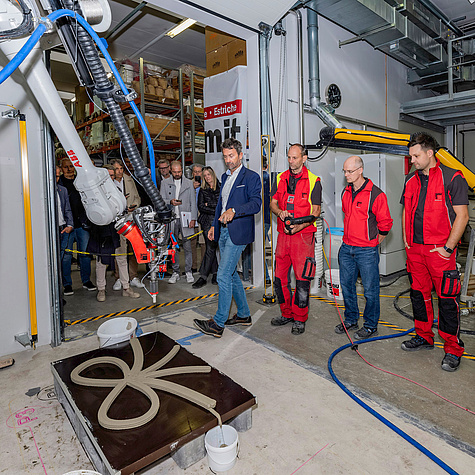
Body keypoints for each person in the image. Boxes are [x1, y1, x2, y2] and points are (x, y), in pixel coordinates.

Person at [400, 132, 468, 372]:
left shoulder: (452, 177)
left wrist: (448, 248)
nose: (412, 161)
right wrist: (406, 241)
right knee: (419, 296)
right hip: (415, 251)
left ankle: (453, 348)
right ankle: (424, 336)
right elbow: (405, 210)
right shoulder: (410, 179)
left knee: (447, 301)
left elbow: (462, 216)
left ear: (430, 153)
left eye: (416, 156)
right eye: (410, 156)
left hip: (440, 252)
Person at [193, 138, 262, 337]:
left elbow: (256, 204)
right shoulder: (225, 176)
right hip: (222, 230)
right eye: (225, 157)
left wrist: (235, 210)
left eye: (231, 156)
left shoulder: (251, 177)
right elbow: (220, 206)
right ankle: (244, 314)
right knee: (231, 275)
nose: (228, 160)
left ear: (240, 155)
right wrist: (214, 226)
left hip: (238, 232)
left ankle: (218, 322)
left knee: (223, 275)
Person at [335, 156, 393, 339]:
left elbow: (386, 224)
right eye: (344, 171)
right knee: (347, 287)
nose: (346, 175)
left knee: (370, 290)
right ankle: (351, 319)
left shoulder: (376, 194)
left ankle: (370, 325)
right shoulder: (345, 192)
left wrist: (373, 242)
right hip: (347, 248)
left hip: (366, 251)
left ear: (360, 170)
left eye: (349, 171)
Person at [269, 144, 321, 335]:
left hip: (303, 237)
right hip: (283, 236)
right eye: (289, 157)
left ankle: (300, 318)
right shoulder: (280, 178)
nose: (291, 161)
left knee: (302, 280)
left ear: (304, 158)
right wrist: (279, 212)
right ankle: (286, 313)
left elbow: (316, 211)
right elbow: (273, 203)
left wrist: (301, 225)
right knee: (279, 278)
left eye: (295, 158)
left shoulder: (314, 181)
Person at [87, 165, 140, 302]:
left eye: (112, 175)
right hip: (102, 230)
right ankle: (101, 289)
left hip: (118, 228)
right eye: (108, 175)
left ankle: (126, 288)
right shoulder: (95, 192)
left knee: (122, 259)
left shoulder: (117, 190)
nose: (110, 178)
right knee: (101, 262)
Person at [58, 158, 96, 295]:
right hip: (67, 225)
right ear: (61, 169)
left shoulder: (80, 181)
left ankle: (86, 281)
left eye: (71, 166)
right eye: (66, 167)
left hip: (82, 224)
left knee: (85, 254)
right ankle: (67, 284)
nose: (69, 169)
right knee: (66, 256)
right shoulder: (59, 184)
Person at [160, 160, 197, 284]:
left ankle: (188, 271)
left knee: (188, 246)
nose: (177, 174)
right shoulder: (164, 183)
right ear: (171, 170)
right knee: (173, 246)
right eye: (175, 172)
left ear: (182, 170)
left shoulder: (189, 183)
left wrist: (193, 218)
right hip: (172, 218)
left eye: (179, 172)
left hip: (186, 218)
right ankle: (175, 272)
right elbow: (161, 200)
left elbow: (193, 202)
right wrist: (170, 202)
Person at [109, 158, 143, 290]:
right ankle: (119, 277)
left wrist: (134, 206)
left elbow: (137, 197)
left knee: (132, 248)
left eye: (121, 168)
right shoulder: (108, 183)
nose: (119, 171)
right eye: (116, 169)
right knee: (119, 250)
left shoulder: (129, 180)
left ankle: (133, 276)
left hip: (131, 219)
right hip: (117, 220)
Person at [193, 166, 221, 289]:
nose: (207, 177)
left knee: (212, 247)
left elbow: (222, 205)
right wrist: (215, 209)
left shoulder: (221, 187)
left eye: (208, 174)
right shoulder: (202, 190)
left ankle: (214, 273)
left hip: (219, 222)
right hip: (206, 222)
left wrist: (208, 204)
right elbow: (201, 207)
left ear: (212, 174)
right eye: (204, 176)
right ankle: (204, 276)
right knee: (210, 246)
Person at [56, 166, 74, 266]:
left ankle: (65, 277)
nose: (57, 179)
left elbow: (67, 209)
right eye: (55, 176)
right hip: (51, 231)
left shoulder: (63, 190)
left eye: (58, 176)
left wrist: (70, 225)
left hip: (63, 229)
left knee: (64, 258)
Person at [191, 163, 204, 273]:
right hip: (191, 216)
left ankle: (204, 266)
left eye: (199, 171)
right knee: (191, 243)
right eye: (195, 172)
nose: (197, 174)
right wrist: (192, 188)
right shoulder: (188, 184)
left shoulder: (206, 183)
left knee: (203, 243)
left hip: (202, 216)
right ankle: (193, 266)